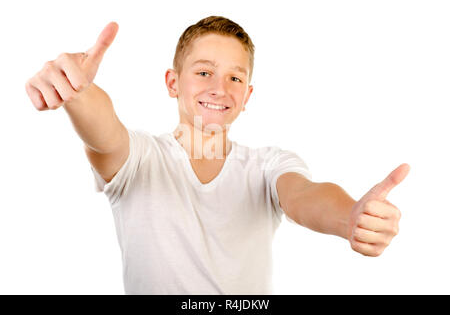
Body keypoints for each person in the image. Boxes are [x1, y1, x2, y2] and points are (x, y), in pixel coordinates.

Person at [25, 16, 410, 294]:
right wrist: (77, 92)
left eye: (235, 78)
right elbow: (105, 134)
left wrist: (349, 218)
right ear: (173, 83)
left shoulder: (267, 165)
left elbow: (303, 196)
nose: (220, 88)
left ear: (247, 96)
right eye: (204, 72)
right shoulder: (140, 158)